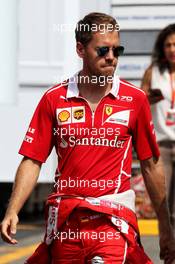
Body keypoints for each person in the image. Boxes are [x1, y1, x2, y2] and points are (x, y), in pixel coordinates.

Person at [1, 12, 175, 264]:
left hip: (112, 222)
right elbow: (32, 160)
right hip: (65, 223)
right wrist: (12, 210)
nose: (112, 58)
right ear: (80, 49)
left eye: (117, 50)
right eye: (103, 50)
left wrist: (165, 225)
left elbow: (150, 165)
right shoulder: (54, 99)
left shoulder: (134, 99)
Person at [141, 24, 175, 236]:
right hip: (161, 145)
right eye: (168, 45)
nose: (172, 49)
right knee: (164, 207)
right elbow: (139, 100)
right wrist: (148, 96)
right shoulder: (153, 72)